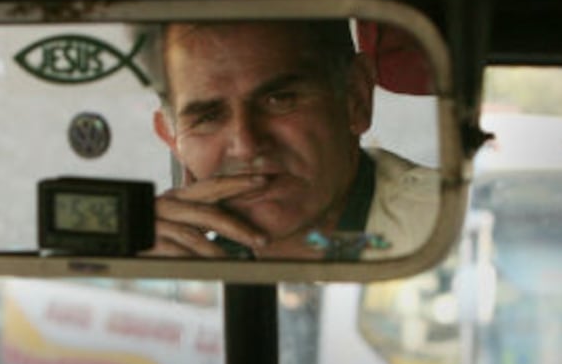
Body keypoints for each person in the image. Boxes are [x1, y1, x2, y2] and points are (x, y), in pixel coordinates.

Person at [143, 20, 438, 260]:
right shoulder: (167, 257)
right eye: (207, 118)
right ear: (172, 138)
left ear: (355, 97)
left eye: (280, 100)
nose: (246, 146)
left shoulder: (446, 231)